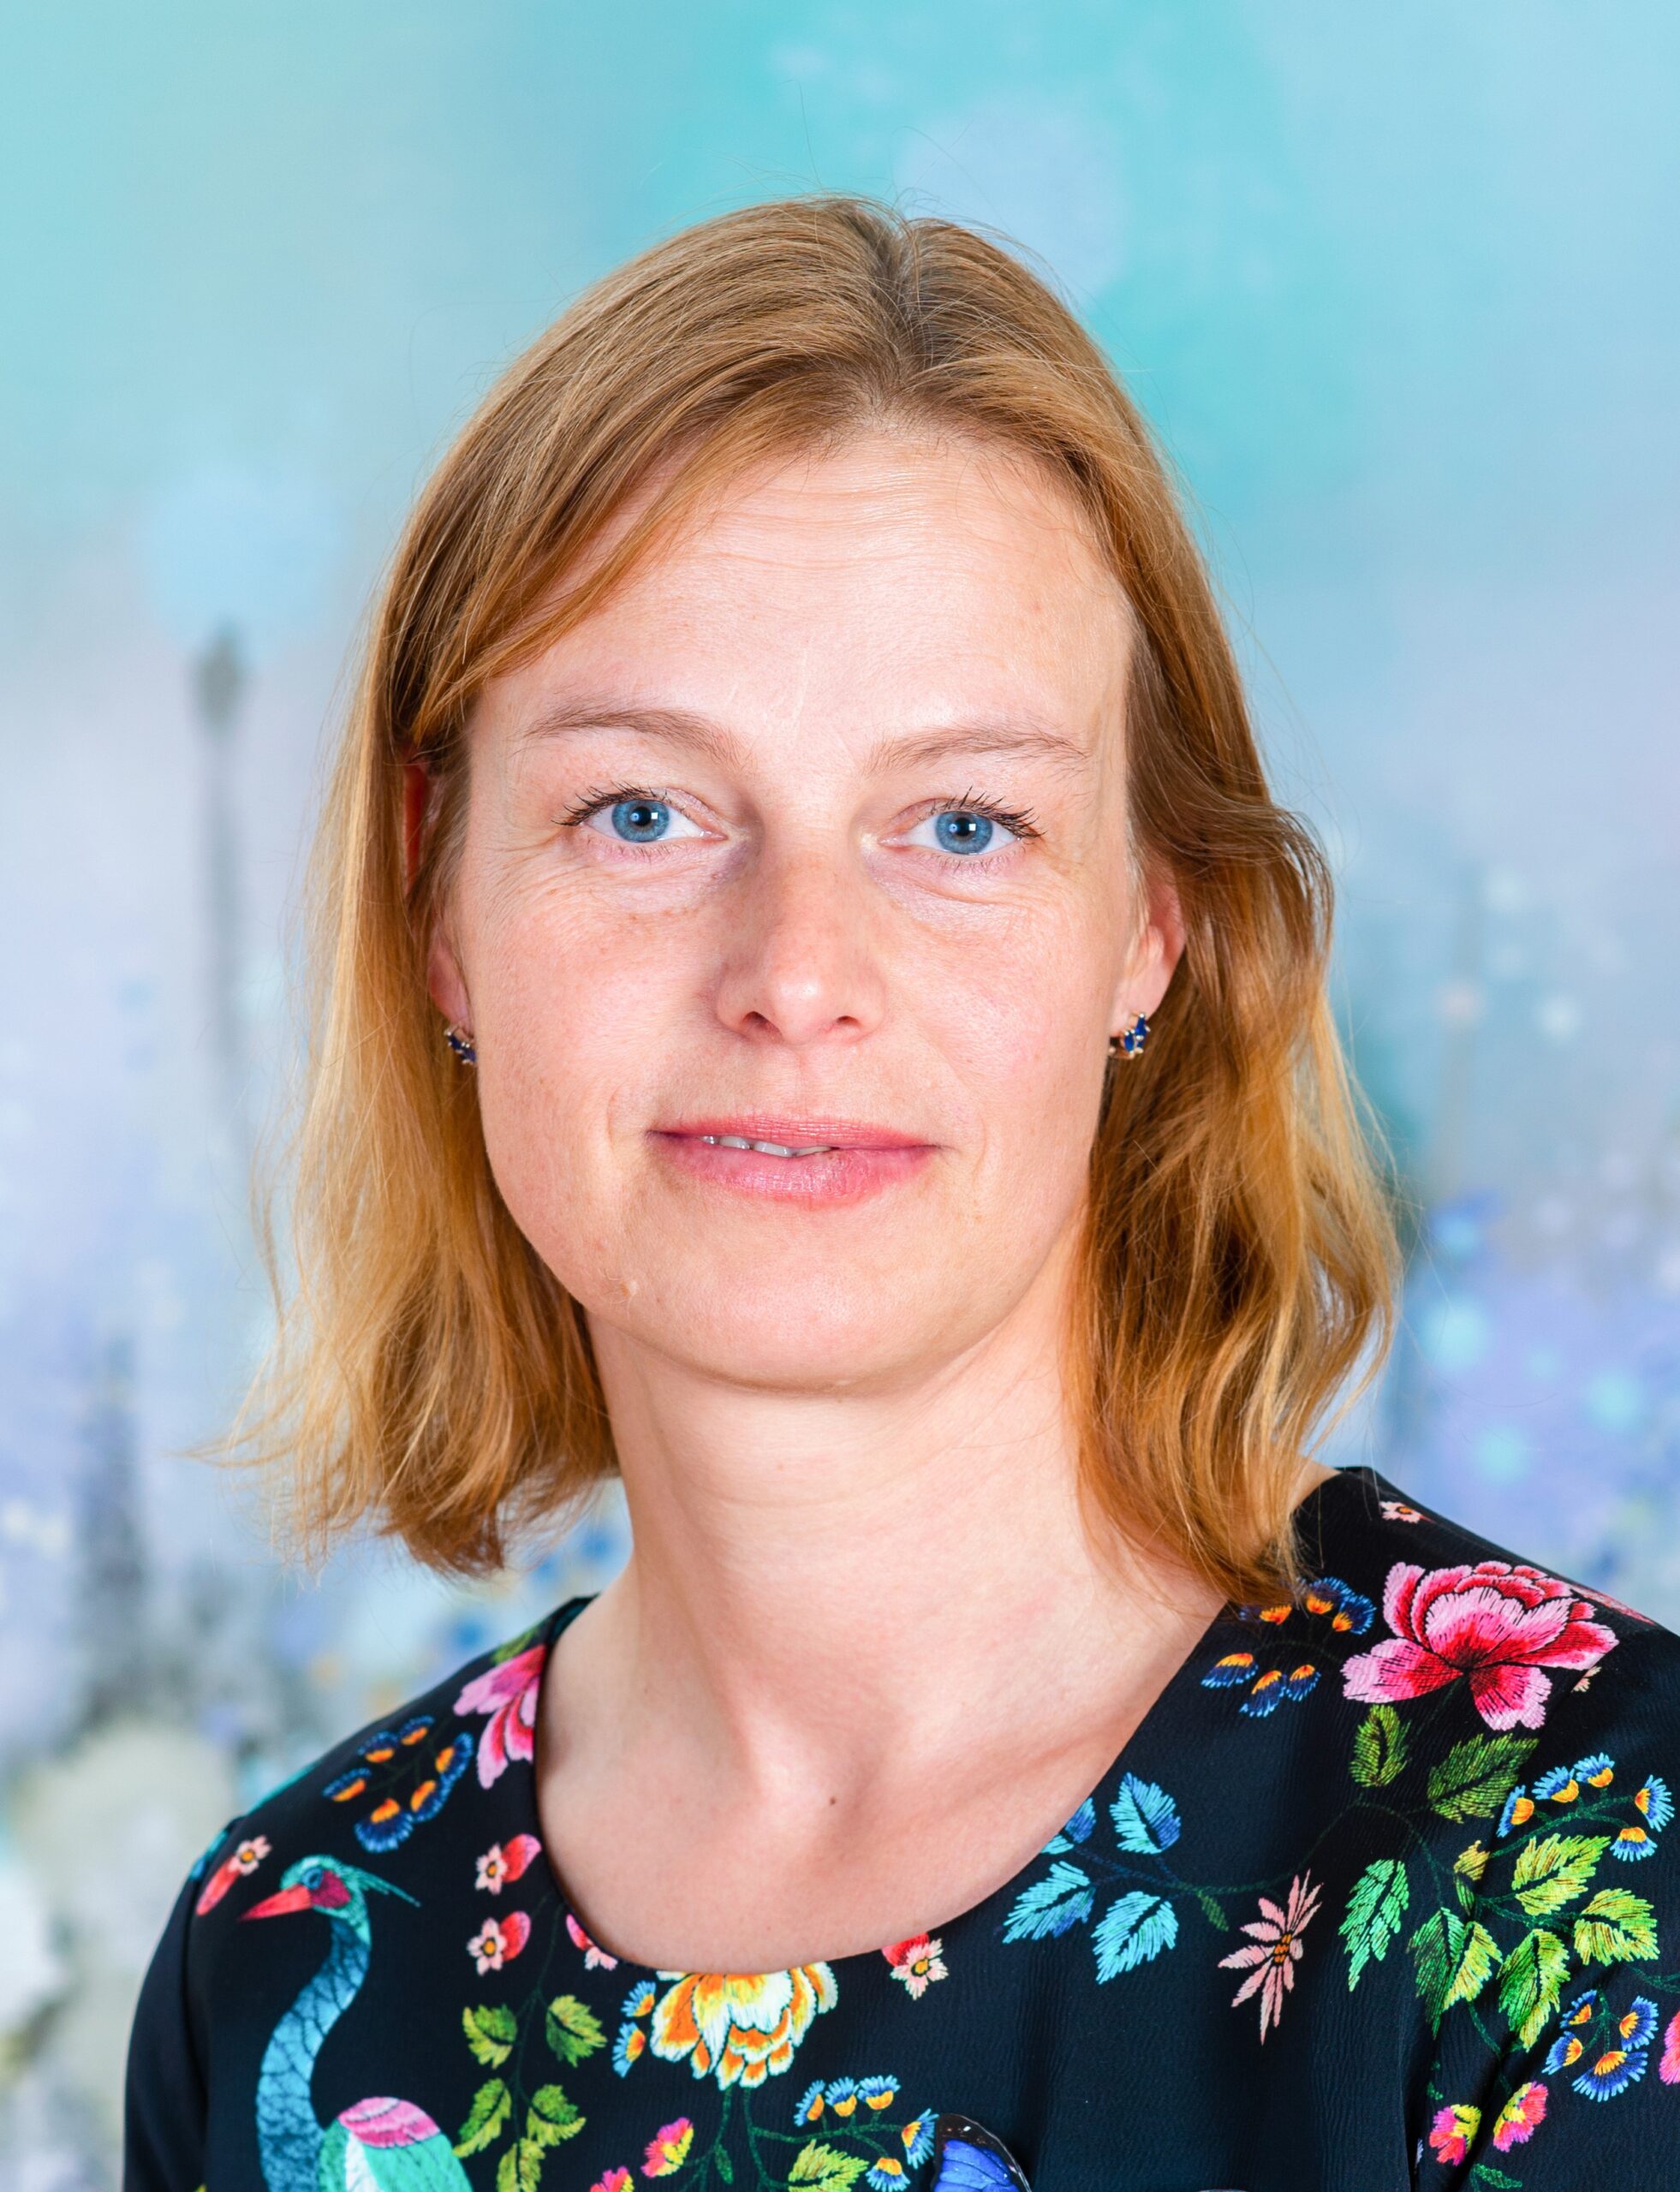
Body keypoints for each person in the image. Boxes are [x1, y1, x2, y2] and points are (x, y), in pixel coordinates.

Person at [123, 194, 1680, 2192]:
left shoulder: (1580, 1871)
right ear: (438, 902)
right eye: (642, 810)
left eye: (961, 823)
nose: (796, 973)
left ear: (1152, 921)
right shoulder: (278, 1956)